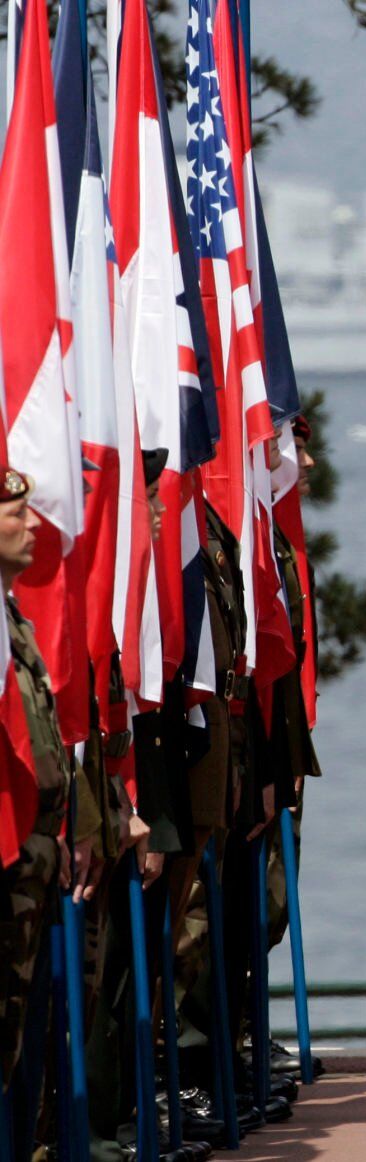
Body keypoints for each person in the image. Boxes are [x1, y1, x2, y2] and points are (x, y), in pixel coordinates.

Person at [0, 468, 74, 1157]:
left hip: (36, 857)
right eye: (16, 513)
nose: (33, 524)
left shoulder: (14, 622)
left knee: (23, 1045)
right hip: (12, 856)